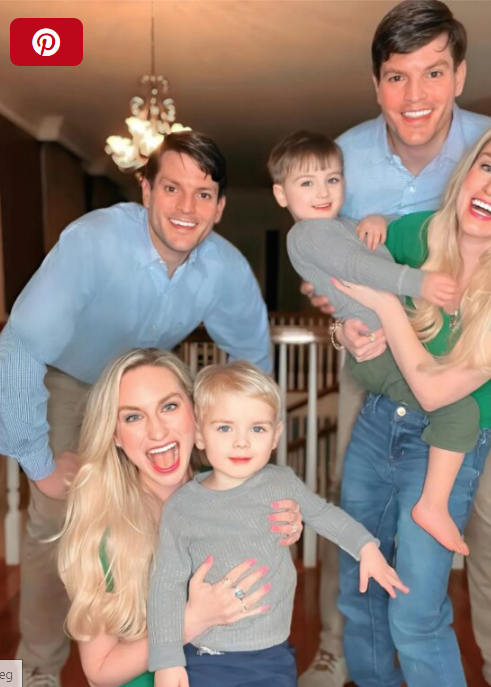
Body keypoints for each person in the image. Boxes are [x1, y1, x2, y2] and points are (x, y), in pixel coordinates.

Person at [297, 3, 491, 686]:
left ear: (459, 75)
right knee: (357, 506)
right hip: (374, 361)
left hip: (463, 373)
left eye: (433, 73)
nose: (414, 95)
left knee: (482, 514)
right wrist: (336, 311)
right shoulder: (341, 158)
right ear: (376, 83)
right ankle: (338, 649)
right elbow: (328, 259)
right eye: (397, 77)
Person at [0, 130, 272, 687]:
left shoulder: (224, 268)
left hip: (144, 392)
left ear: (219, 207)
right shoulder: (93, 242)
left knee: (157, 518)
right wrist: (39, 462)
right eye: (172, 188)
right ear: (146, 189)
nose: (186, 206)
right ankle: (27, 671)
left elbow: (253, 362)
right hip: (69, 381)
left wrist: (245, 449)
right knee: (54, 521)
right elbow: (21, 344)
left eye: (202, 194)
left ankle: (149, 643)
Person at [329, 120, 491, 687]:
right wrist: (346, 330)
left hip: (447, 447)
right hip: (377, 422)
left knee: (414, 613)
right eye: (487, 167)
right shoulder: (418, 233)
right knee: (360, 592)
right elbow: (347, 281)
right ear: (466, 174)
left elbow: (436, 391)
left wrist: (388, 306)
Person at [270, 129, 476, 554]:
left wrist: (379, 221)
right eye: (307, 183)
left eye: (332, 179)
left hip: (390, 340)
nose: (323, 191)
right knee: (460, 409)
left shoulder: (340, 226)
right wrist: (419, 283)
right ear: (281, 194)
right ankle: (432, 506)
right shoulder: (306, 234)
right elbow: (357, 266)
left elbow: (372, 245)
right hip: (378, 350)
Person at [147, 360, 408, 687]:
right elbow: (165, 586)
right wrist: (167, 661)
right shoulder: (182, 507)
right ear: (199, 434)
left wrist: (366, 547)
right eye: (225, 428)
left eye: (257, 429)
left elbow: (324, 514)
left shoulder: (281, 483)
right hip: (205, 656)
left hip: (272, 655)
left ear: (275, 435)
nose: (242, 442)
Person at [57, 348, 304, 687]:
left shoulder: (234, 492)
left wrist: (285, 523)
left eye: (169, 407)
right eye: (133, 417)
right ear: (115, 435)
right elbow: (98, 671)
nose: (157, 431)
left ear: (196, 414)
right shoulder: (104, 533)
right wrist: (190, 622)